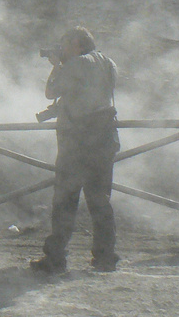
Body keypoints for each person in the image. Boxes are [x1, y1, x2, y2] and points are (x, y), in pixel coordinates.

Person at [31, 26, 120, 274]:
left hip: (78, 142)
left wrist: (56, 66)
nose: (62, 49)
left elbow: (51, 91)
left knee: (65, 201)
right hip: (104, 139)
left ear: (78, 45)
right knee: (100, 201)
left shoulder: (76, 64)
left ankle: (55, 258)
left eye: (65, 44)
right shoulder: (108, 63)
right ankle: (105, 258)